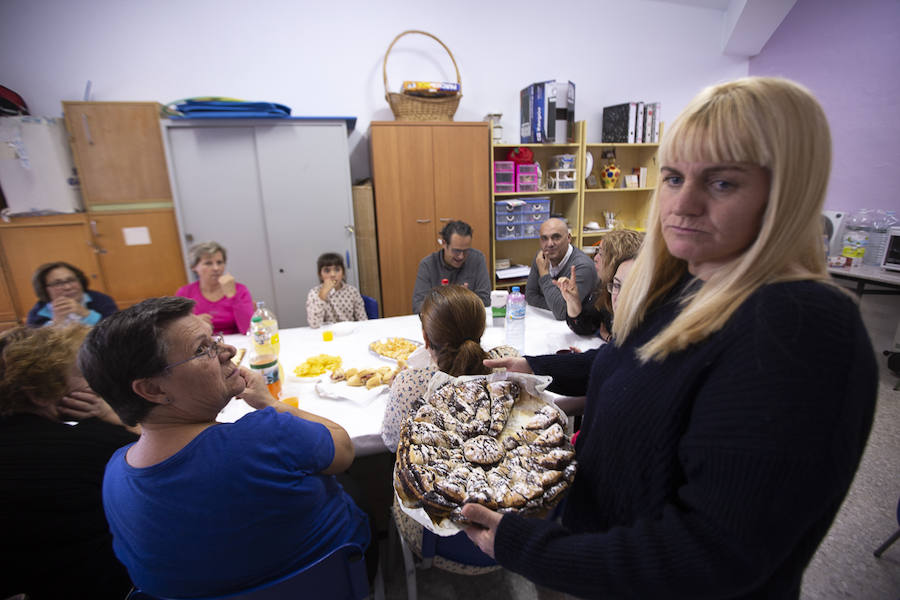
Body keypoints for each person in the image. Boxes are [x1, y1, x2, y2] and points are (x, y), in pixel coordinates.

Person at [460, 77, 879, 599]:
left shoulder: (801, 329)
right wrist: (528, 366)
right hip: (592, 552)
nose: (683, 204)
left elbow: (709, 555)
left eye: (722, 183)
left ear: (787, 191)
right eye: (675, 177)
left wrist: (526, 547)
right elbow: (628, 365)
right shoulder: (691, 279)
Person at [77, 296, 371, 598]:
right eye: (203, 349)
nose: (228, 350)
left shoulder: (115, 476)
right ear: (153, 389)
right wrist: (269, 403)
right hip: (330, 584)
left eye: (214, 339)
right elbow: (343, 447)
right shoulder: (267, 435)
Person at [383, 284, 517, 573]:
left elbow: (392, 443)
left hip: (440, 538)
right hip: (512, 531)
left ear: (425, 339)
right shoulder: (510, 362)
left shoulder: (409, 383)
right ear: (482, 327)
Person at [0, 325, 138, 600]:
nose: (92, 383)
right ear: (39, 393)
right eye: (80, 375)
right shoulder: (96, 444)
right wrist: (120, 420)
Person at [556, 229, 644, 341]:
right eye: (597, 252)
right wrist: (573, 301)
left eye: (601, 254)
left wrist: (610, 339)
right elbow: (586, 326)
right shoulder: (605, 287)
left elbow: (633, 348)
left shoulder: (636, 297)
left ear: (616, 262)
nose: (595, 258)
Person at [411, 220, 491, 313]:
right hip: (439, 322)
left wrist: (466, 300)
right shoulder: (428, 265)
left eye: (465, 251)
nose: (461, 256)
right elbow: (418, 306)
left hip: (468, 319)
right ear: (444, 244)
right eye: (456, 251)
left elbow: (485, 301)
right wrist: (450, 301)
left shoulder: (477, 259)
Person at [175, 240, 254, 334]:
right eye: (208, 263)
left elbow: (248, 330)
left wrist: (233, 296)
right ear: (194, 267)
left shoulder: (240, 290)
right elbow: (177, 332)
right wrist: (193, 323)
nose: (216, 268)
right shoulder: (185, 293)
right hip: (201, 344)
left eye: (220, 262)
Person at [525, 218, 597, 320]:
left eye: (556, 237)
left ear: (568, 238)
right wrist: (556, 305)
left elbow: (562, 313)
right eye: (544, 238)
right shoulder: (541, 258)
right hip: (548, 322)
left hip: (580, 331)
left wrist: (544, 274)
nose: (549, 244)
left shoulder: (582, 266)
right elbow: (530, 296)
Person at [26, 261, 118, 327]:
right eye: (57, 283)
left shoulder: (102, 300)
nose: (67, 287)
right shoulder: (37, 312)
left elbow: (115, 330)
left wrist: (86, 314)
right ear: (45, 289)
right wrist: (56, 323)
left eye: (71, 280)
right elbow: (36, 346)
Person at [306, 252, 368, 328]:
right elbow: (314, 324)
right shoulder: (314, 293)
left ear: (343, 273)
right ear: (320, 275)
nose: (332, 275)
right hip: (327, 335)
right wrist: (322, 295)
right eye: (327, 271)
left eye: (337, 270)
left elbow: (363, 321)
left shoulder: (352, 291)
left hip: (349, 332)